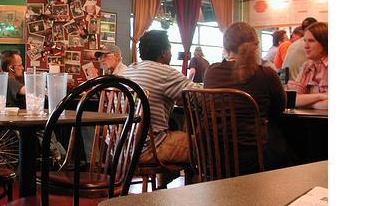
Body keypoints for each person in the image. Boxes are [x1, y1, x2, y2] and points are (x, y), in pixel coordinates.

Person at [204, 22, 288, 172]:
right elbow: (279, 108)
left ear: (226, 48)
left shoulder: (211, 72)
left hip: (213, 157)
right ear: (256, 46)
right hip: (254, 158)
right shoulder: (266, 74)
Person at [122, 30, 200, 169]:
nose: (171, 54)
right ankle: (197, 183)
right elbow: (201, 97)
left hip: (120, 147)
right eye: (170, 49)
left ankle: (165, 182)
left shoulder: (128, 70)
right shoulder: (165, 72)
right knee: (204, 144)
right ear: (164, 52)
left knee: (174, 132)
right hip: (147, 148)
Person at [0, 50, 66, 164]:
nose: (23, 67)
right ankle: (57, 155)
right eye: (20, 65)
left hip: (17, 116)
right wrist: (43, 89)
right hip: (15, 118)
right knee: (44, 125)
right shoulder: (10, 81)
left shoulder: (5, 80)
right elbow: (26, 90)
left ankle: (61, 155)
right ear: (11, 68)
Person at [289, 22, 328, 109]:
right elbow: (294, 100)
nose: (305, 46)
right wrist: (320, 96)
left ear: (324, 42)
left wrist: (307, 103)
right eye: (305, 40)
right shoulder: (307, 66)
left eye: (311, 41)